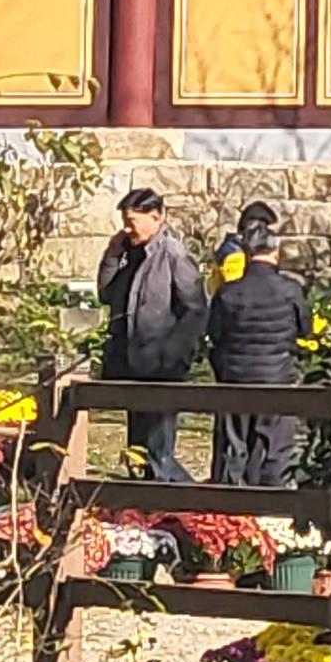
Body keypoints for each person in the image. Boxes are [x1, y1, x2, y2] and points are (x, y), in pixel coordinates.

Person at [95, 187, 207, 481]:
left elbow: (195, 309)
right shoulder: (131, 256)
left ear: (155, 218)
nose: (126, 228)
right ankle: (143, 508)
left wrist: (174, 354)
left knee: (159, 451)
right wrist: (112, 255)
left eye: (132, 220)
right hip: (134, 365)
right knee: (138, 450)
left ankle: (185, 500)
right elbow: (107, 294)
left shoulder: (174, 255)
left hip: (162, 367)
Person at [207, 199, 312, 491]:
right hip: (277, 376)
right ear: (275, 252)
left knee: (234, 443)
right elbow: (305, 329)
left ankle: (229, 506)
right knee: (275, 445)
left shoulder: (228, 293)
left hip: (235, 378)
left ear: (248, 251)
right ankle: (272, 503)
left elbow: (214, 334)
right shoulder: (291, 290)